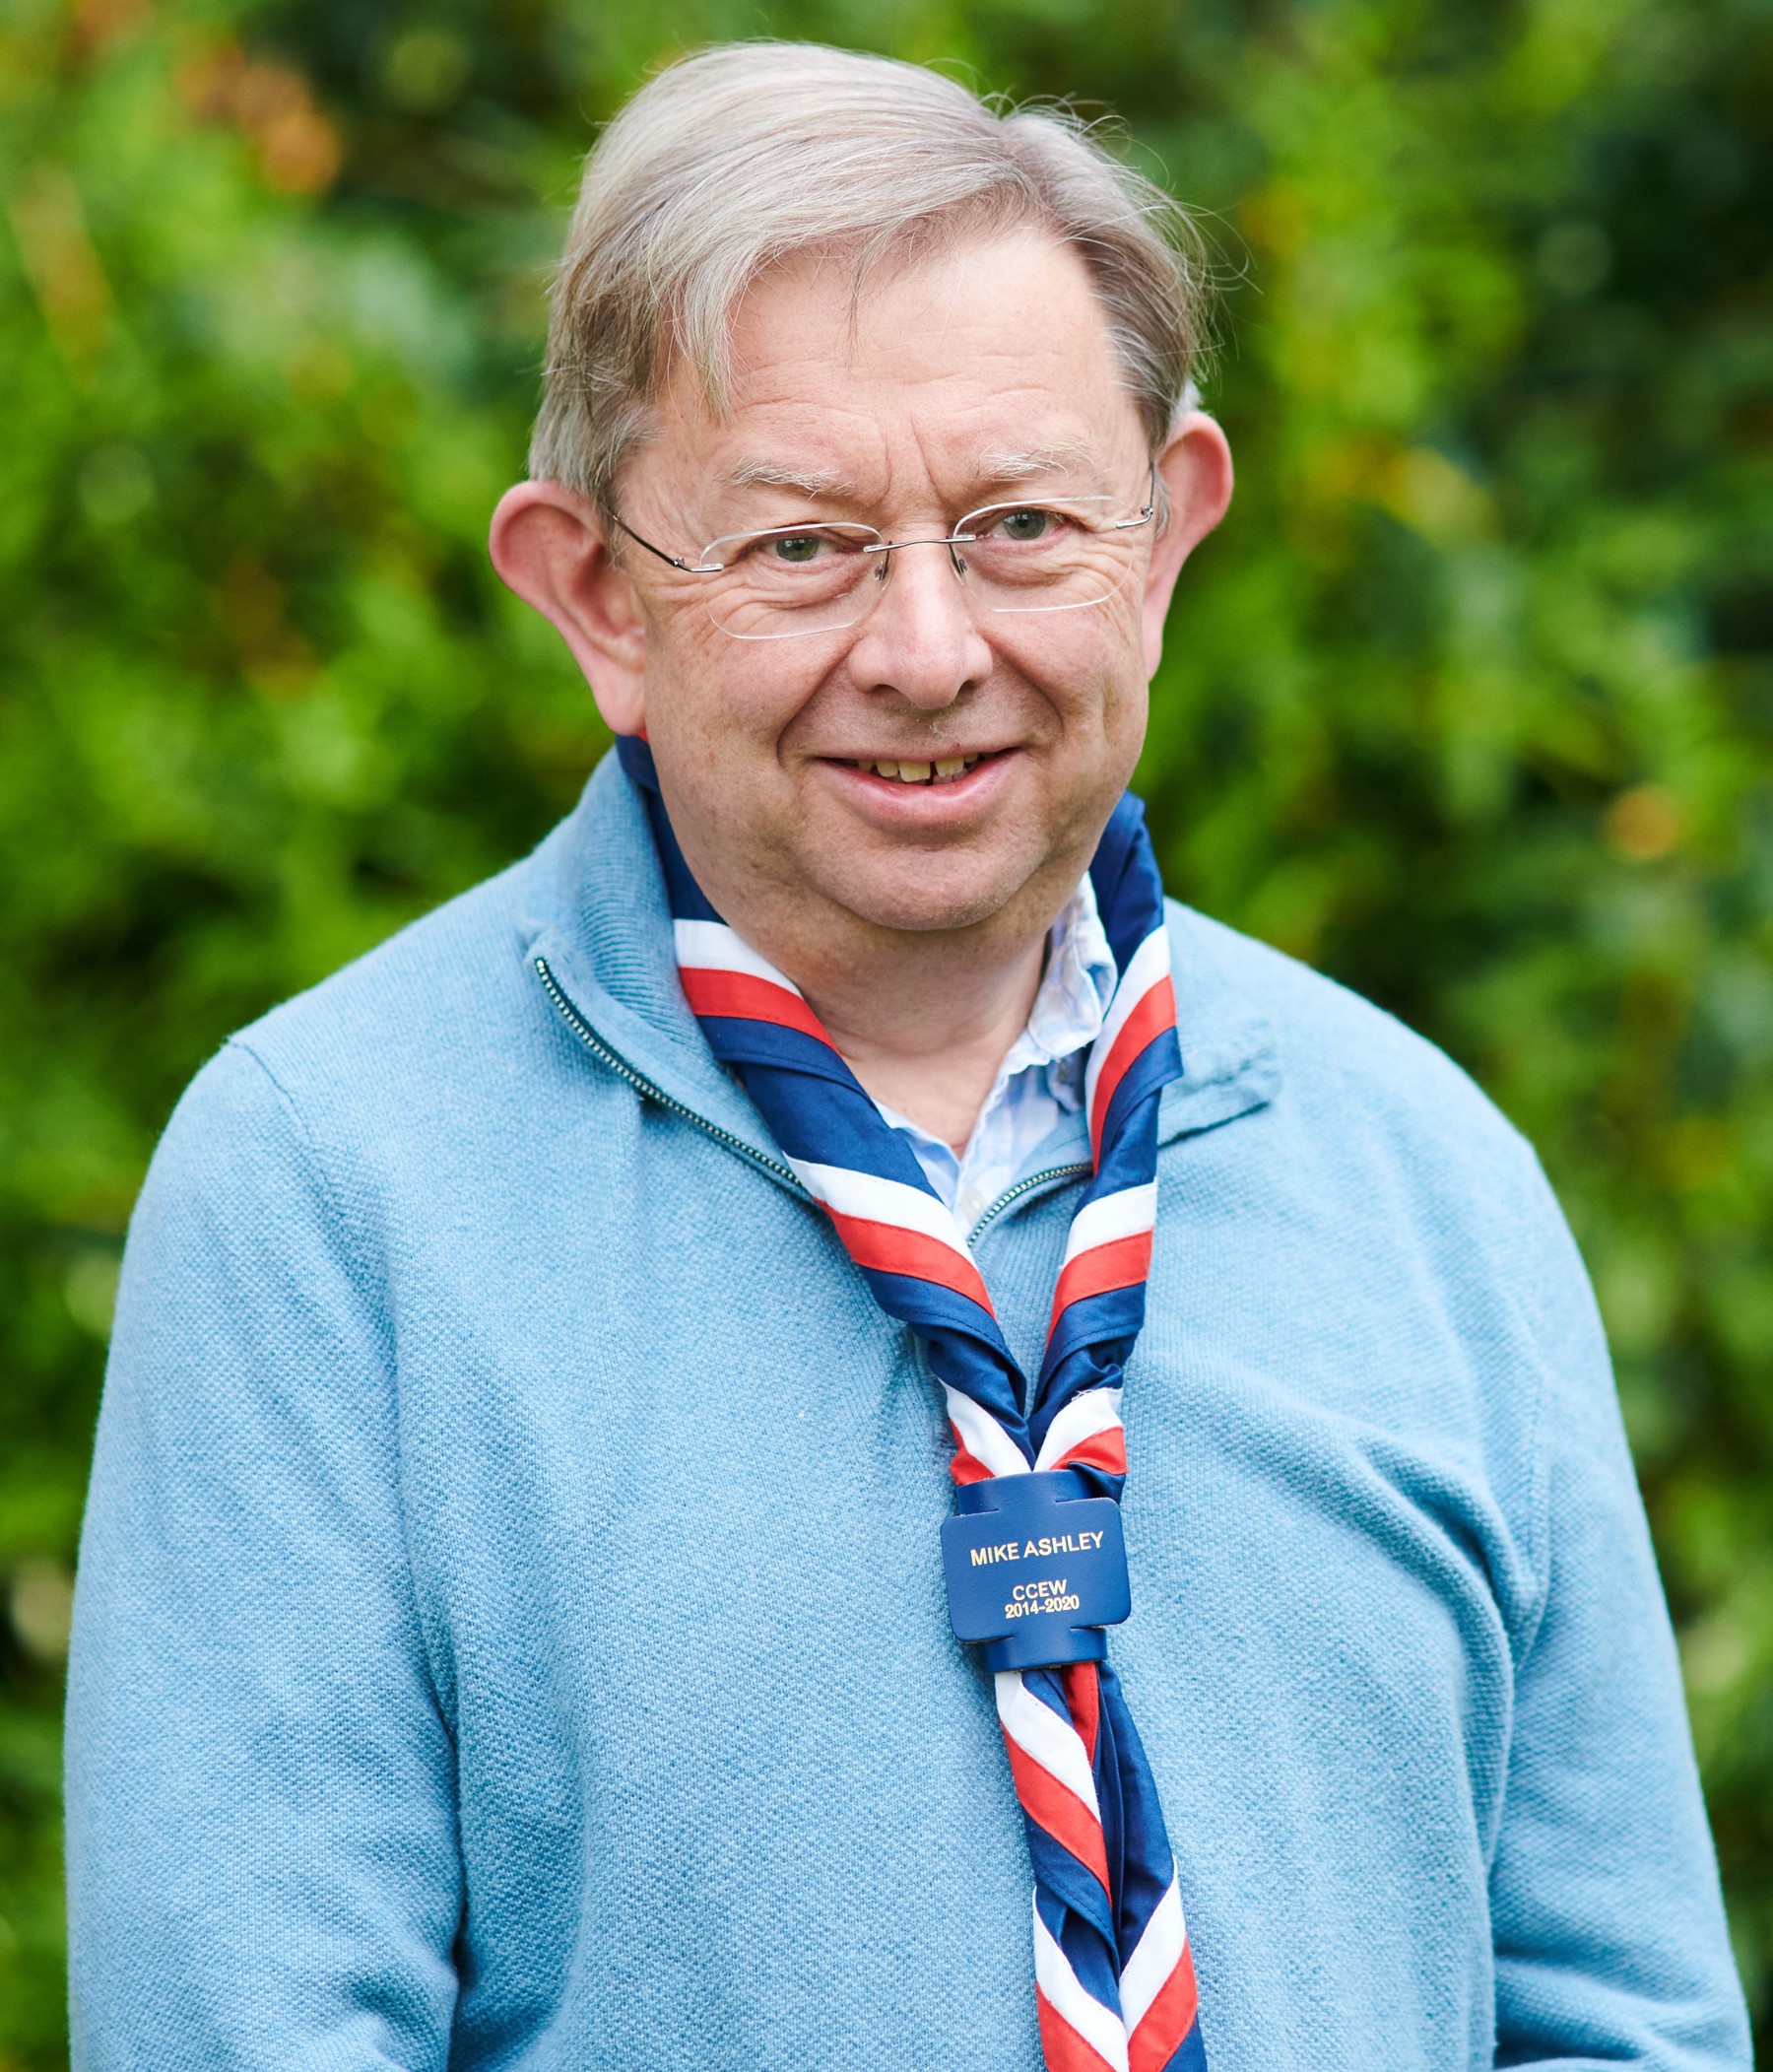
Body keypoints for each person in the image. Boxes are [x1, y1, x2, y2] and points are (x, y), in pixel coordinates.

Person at [64, 40, 1749, 2072]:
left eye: (1023, 523)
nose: (932, 647)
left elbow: (1624, 2025)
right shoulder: (335, 1190)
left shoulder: (1424, 1168)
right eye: (802, 546)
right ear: (593, 594)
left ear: (1172, 531)